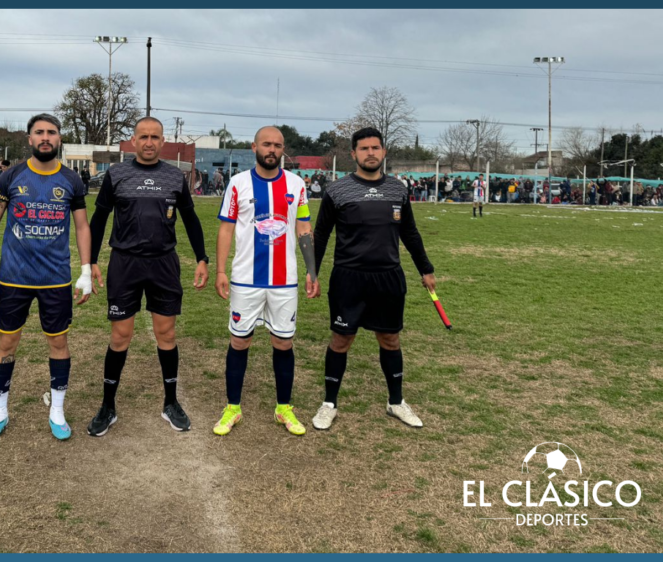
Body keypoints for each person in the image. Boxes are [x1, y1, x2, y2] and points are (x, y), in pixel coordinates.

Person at [86, 117, 209, 436]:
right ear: (134, 140)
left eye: (155, 137)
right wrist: (91, 260)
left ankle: (171, 402)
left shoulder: (174, 176)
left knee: (166, 335)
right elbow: (99, 218)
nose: (150, 142)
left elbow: (191, 218)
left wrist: (202, 258)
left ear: (163, 140)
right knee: (120, 337)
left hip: (163, 265)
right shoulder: (116, 174)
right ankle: (107, 406)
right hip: (124, 264)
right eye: (144, 136)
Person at [310, 127, 436, 431]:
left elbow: (410, 232)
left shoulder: (398, 189)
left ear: (384, 152)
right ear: (353, 154)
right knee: (341, 340)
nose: (370, 153)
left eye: (375, 148)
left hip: (388, 278)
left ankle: (395, 403)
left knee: (390, 339)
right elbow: (322, 233)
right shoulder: (337, 190)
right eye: (364, 148)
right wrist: (312, 272)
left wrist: (426, 269)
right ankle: (329, 404)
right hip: (348, 278)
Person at [0, 114, 92, 442]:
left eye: (51, 133)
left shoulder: (72, 180)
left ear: (59, 138)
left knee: (58, 343)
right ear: (29, 139)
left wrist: (85, 271)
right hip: (14, 278)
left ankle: (57, 409)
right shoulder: (10, 177)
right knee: (6, 343)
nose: (45, 137)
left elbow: (83, 226)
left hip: (56, 279)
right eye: (39, 132)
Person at [212, 126, 321, 437]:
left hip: (284, 281)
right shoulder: (237, 184)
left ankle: (283, 408)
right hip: (245, 279)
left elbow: (303, 229)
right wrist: (221, 271)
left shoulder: (297, 185)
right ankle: (233, 407)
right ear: (254, 147)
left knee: (283, 342)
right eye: (267, 144)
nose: (272, 150)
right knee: (239, 340)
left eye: (278, 145)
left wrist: (312, 272)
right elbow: (226, 230)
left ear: (283, 149)